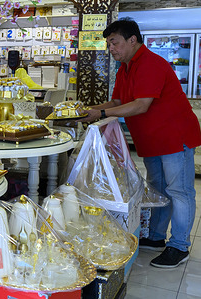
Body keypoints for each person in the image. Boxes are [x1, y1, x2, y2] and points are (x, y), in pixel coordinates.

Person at [80, 18, 201, 268]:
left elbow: (140, 104)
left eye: (114, 42)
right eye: (108, 43)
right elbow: (116, 103)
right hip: (152, 139)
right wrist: (86, 110)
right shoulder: (125, 67)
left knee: (180, 191)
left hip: (174, 137)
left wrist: (100, 115)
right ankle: (156, 238)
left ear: (132, 40)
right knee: (158, 190)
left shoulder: (150, 63)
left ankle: (179, 246)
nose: (110, 48)